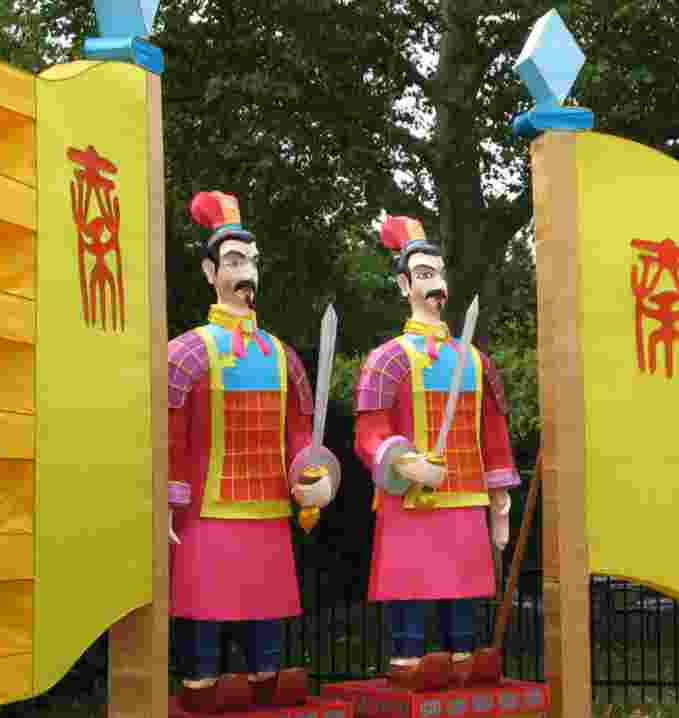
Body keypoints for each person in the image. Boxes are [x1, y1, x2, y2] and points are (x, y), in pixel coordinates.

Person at [167, 191, 340, 714]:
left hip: (267, 508)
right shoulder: (185, 354)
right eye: (236, 261)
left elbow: (296, 436)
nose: (248, 274)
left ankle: (266, 678)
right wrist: (169, 499)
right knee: (202, 608)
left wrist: (310, 474)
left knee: (266, 608)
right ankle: (198, 684)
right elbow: (169, 439)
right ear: (209, 270)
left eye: (252, 262)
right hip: (203, 512)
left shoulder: (283, 356)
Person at [353, 216, 519, 692]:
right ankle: (407, 656)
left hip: (466, 495)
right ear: (404, 283)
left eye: (439, 274)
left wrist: (501, 501)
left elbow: (493, 434)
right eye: (424, 274)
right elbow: (369, 430)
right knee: (410, 582)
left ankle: (463, 653)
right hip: (411, 499)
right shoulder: (386, 360)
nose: (436, 285)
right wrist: (403, 461)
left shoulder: (476, 361)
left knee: (463, 582)